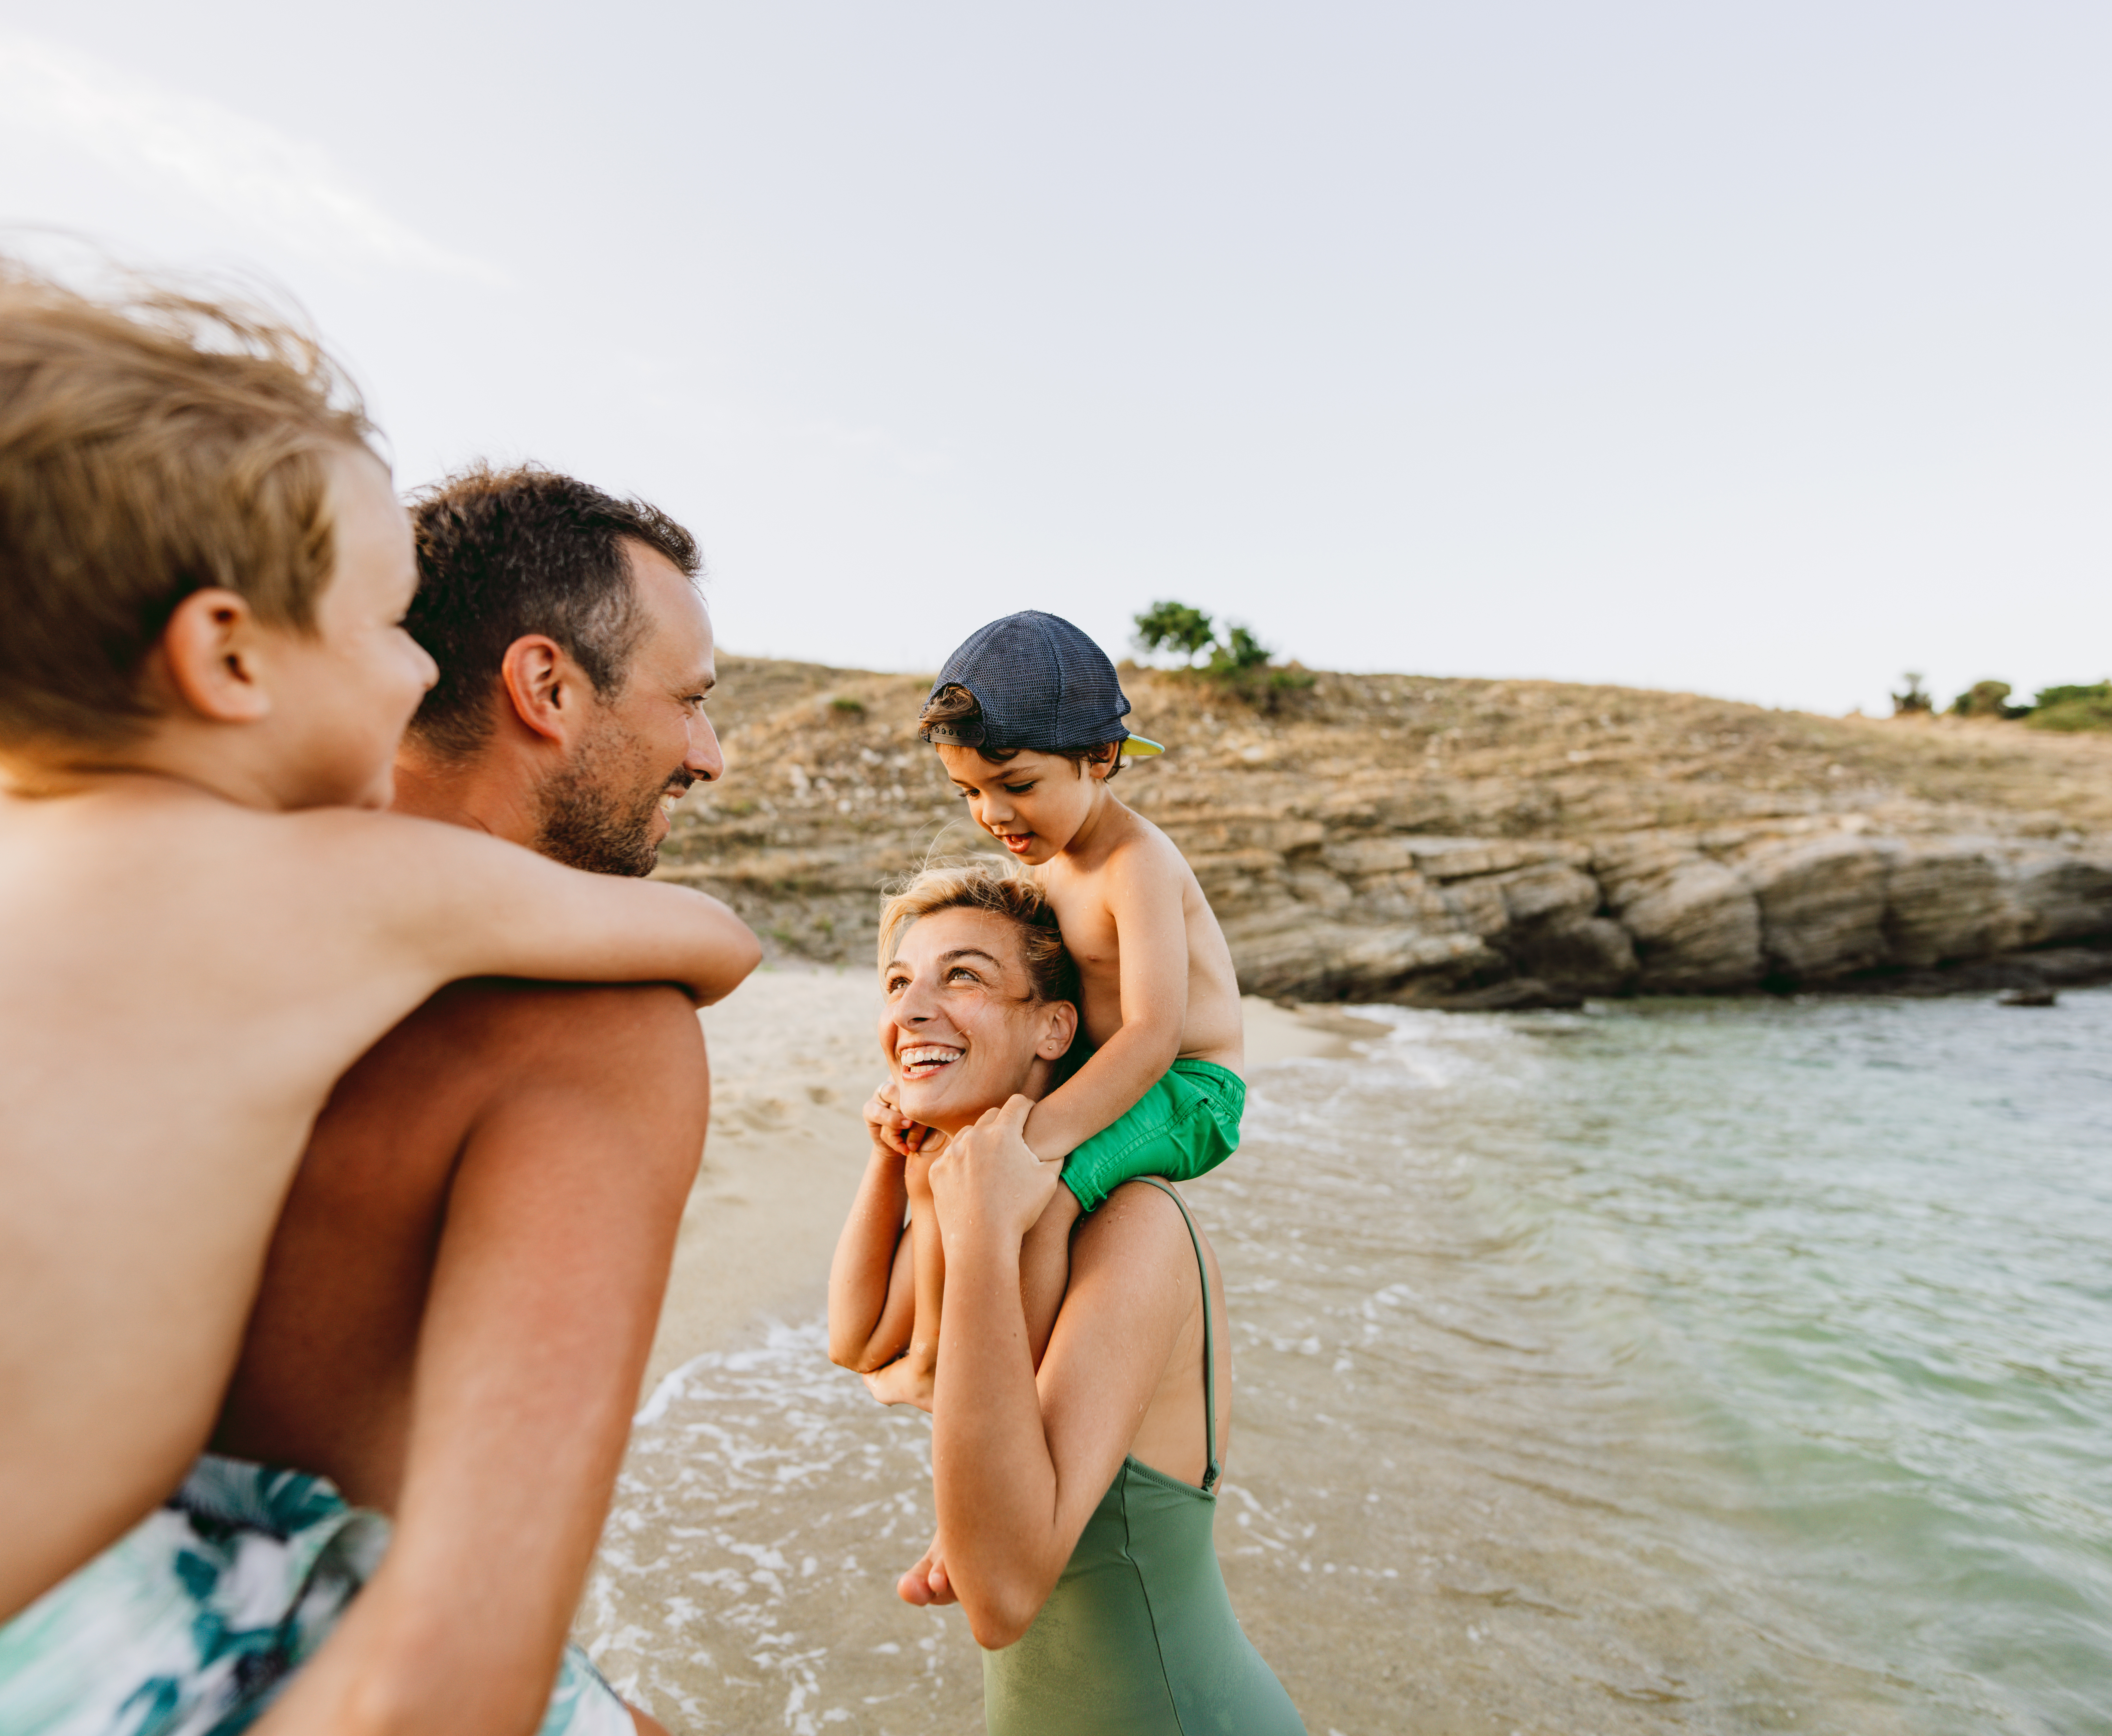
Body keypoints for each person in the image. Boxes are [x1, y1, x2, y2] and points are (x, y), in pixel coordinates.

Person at [0, 257, 759, 1735]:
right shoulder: (353, 915)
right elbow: (710, 943)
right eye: (387, 629)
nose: (417, 665)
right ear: (229, 652)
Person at [199, 465, 732, 1736]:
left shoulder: (207, 889)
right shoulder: (599, 1032)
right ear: (546, 688)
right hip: (299, 1658)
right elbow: (464, 1661)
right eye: (692, 704)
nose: (708, 756)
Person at [827, 860, 1303, 1735]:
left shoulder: (1135, 1227)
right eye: (898, 983)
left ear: (1054, 1028)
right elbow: (859, 1346)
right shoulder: (957, 1182)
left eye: (961, 976)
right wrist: (894, 1166)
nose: (911, 1011)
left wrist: (977, 1244)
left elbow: (1000, 1597)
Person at [858, 611, 1246, 1406]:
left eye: (1018, 786)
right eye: (969, 791)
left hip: (1188, 1088)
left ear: (1098, 759)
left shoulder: (1133, 863)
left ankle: (1007, 1393)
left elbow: (1151, 1032)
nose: (993, 815)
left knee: (1047, 1189)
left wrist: (1038, 1141)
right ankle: (932, 1349)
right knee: (945, 1156)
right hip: (1109, 1072)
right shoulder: (1048, 867)